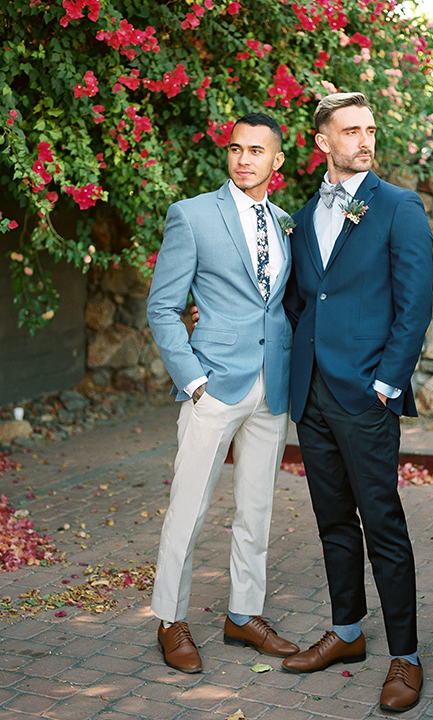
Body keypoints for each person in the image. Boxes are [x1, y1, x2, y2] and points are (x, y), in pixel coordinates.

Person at [280, 92, 433, 713]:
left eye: (369, 129)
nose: (364, 140)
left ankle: (407, 655)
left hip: (366, 395)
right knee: (332, 520)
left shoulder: (399, 208)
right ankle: (347, 632)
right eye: (350, 131)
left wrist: (385, 385)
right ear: (323, 142)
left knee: (383, 524)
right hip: (313, 394)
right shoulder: (300, 213)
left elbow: (414, 305)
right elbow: (301, 299)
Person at [146, 112, 299, 674]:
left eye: (257, 150)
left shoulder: (285, 221)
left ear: (276, 162)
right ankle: (170, 619)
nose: (244, 159)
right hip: (212, 385)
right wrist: (191, 379)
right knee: (188, 506)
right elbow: (162, 305)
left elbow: (280, 304)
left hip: (271, 386)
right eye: (236, 149)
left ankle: (244, 614)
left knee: (256, 508)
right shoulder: (191, 216)